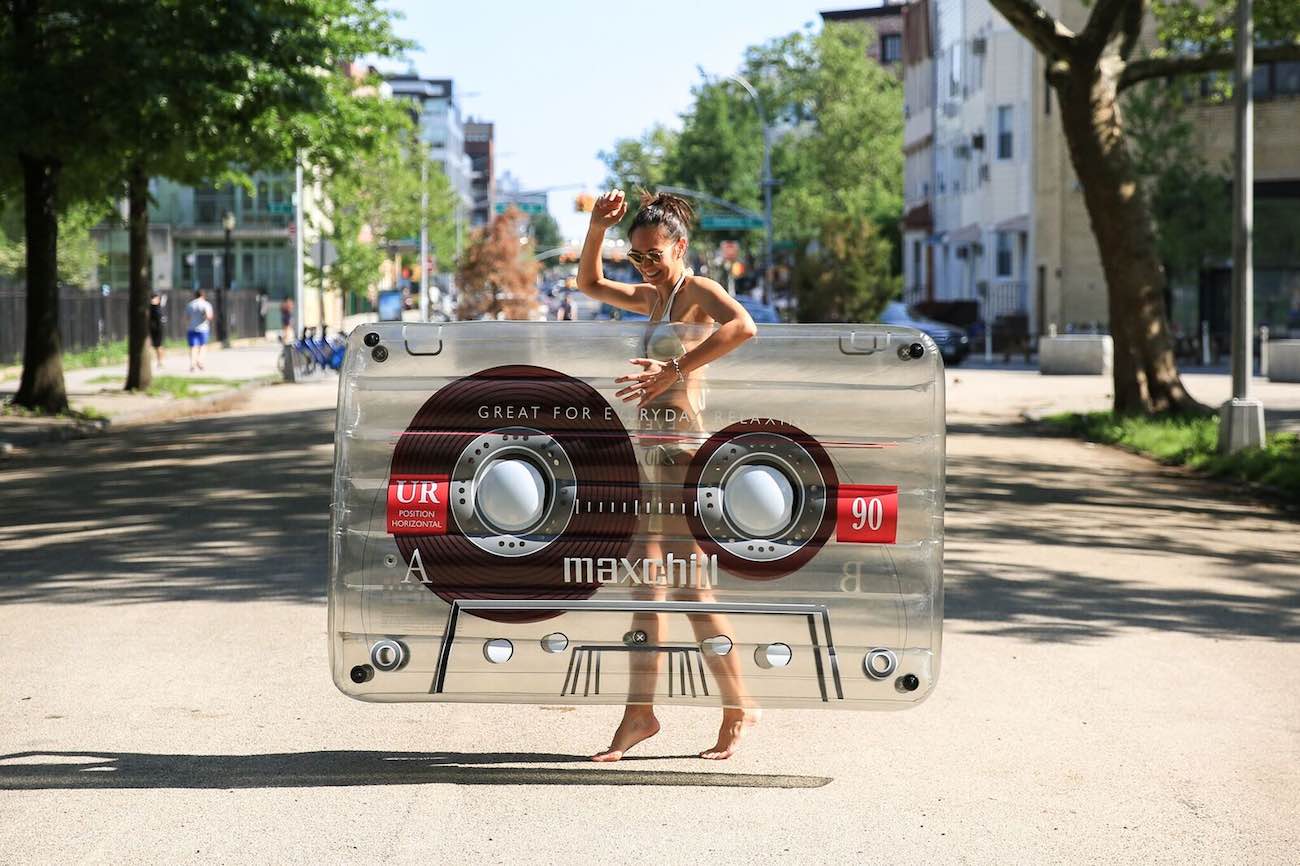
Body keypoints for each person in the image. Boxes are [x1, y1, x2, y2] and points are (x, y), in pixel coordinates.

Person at [576, 189, 758, 761]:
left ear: (680, 246)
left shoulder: (697, 293)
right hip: (648, 456)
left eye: (654, 255)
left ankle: (736, 705)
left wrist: (674, 368)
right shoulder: (655, 300)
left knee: (688, 587)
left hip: (682, 453)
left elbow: (745, 326)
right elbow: (589, 285)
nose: (646, 265)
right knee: (648, 585)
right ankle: (640, 712)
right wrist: (597, 230)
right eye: (638, 257)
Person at [185, 288, 214, 371]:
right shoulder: (206, 304)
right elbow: (209, 316)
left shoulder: (190, 304)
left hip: (191, 328)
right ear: (203, 295)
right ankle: (200, 361)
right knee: (203, 346)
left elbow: (186, 318)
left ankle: (192, 364)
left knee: (193, 347)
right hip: (203, 328)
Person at [148, 293, 167, 368]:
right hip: (150, 329)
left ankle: (160, 362)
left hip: (158, 329)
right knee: (151, 346)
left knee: (158, 346)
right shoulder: (151, 307)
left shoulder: (159, 308)